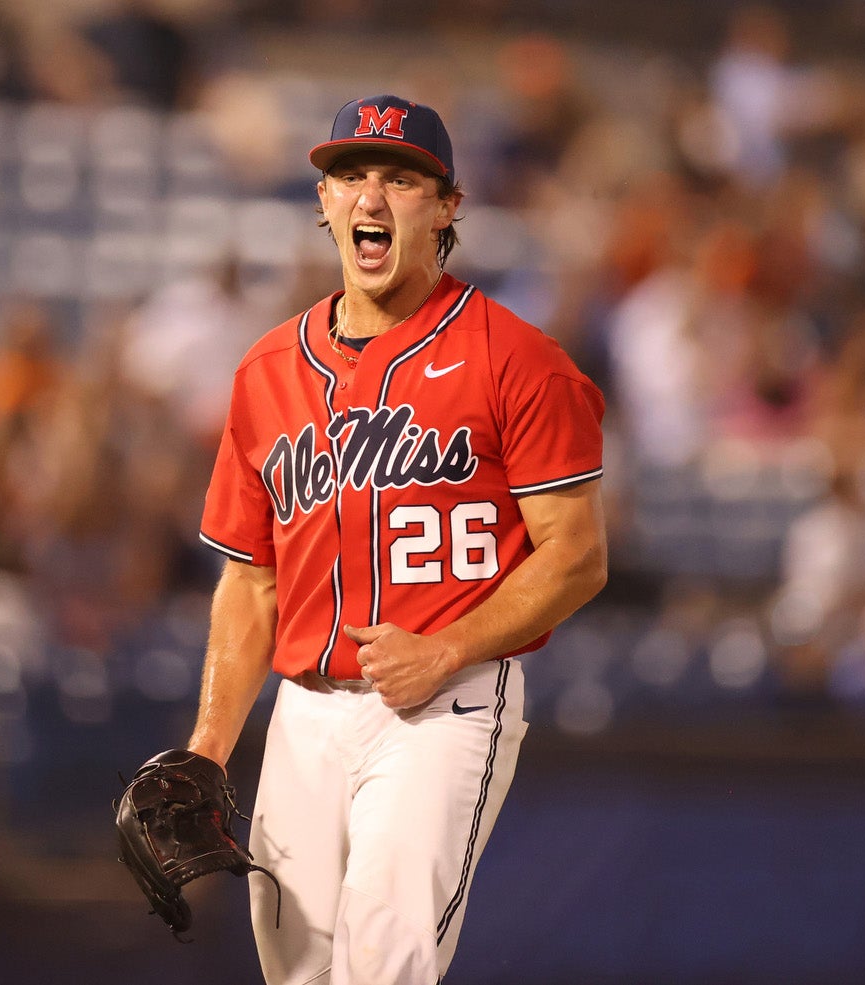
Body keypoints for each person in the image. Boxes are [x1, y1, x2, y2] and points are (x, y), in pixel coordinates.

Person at [186, 93, 608, 984]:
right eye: (348, 175)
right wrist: (208, 750)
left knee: (385, 961)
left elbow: (576, 553)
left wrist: (448, 647)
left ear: (447, 205)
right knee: (296, 969)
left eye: (400, 178)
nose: (369, 197)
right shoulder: (268, 371)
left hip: (442, 702)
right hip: (304, 711)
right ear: (325, 203)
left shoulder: (517, 358)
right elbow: (249, 582)